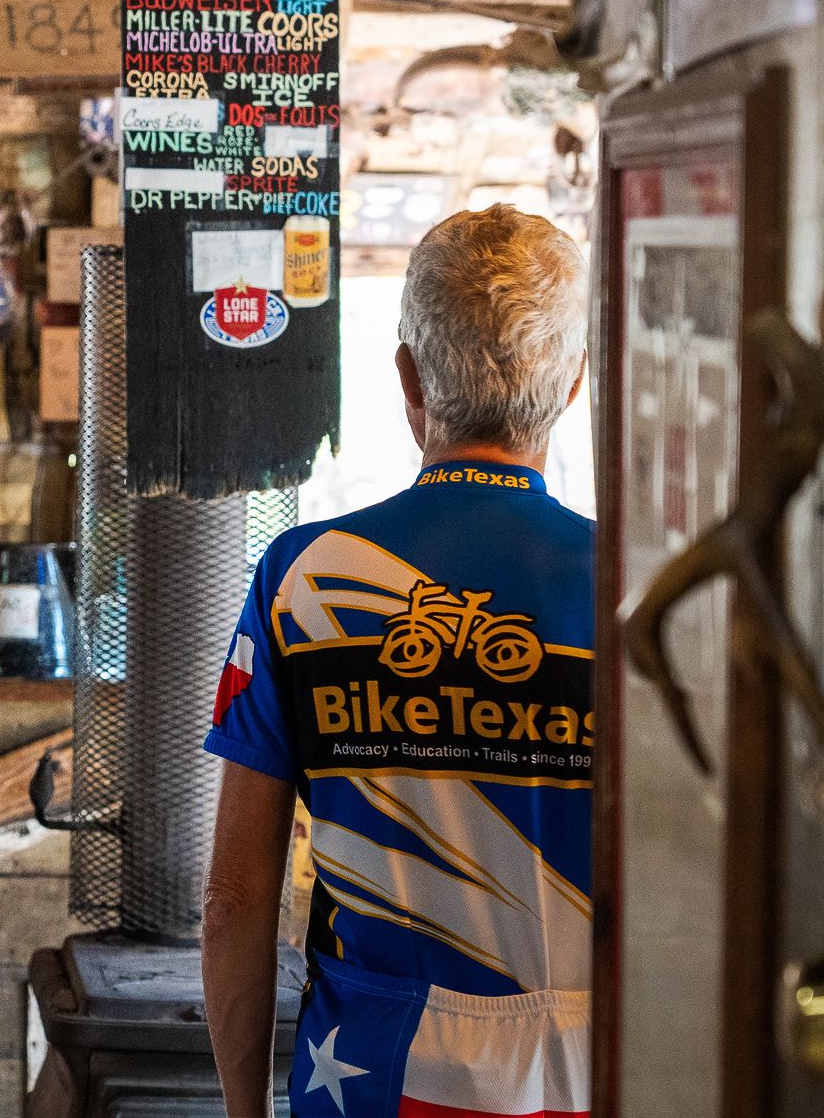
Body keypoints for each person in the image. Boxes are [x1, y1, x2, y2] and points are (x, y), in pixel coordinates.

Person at [202, 205, 594, 1118]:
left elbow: (234, 896)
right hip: (593, 1068)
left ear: (408, 377)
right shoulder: (635, 589)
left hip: (373, 1074)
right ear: (573, 384)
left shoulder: (304, 578)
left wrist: (242, 1110)